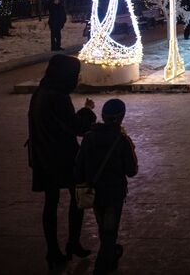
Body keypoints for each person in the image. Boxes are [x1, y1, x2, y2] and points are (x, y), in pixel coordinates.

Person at [27, 55, 97, 269]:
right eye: (74, 75)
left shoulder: (41, 92)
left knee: (51, 202)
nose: (75, 79)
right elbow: (74, 127)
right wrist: (87, 112)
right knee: (78, 198)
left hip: (42, 156)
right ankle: (70, 243)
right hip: (60, 157)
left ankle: (55, 250)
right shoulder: (57, 97)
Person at [75, 99, 138, 274]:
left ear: (102, 116)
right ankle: (103, 264)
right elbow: (132, 170)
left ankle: (109, 257)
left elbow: (78, 166)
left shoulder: (89, 137)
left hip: (95, 192)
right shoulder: (122, 140)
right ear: (121, 118)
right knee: (110, 230)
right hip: (114, 193)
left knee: (103, 226)